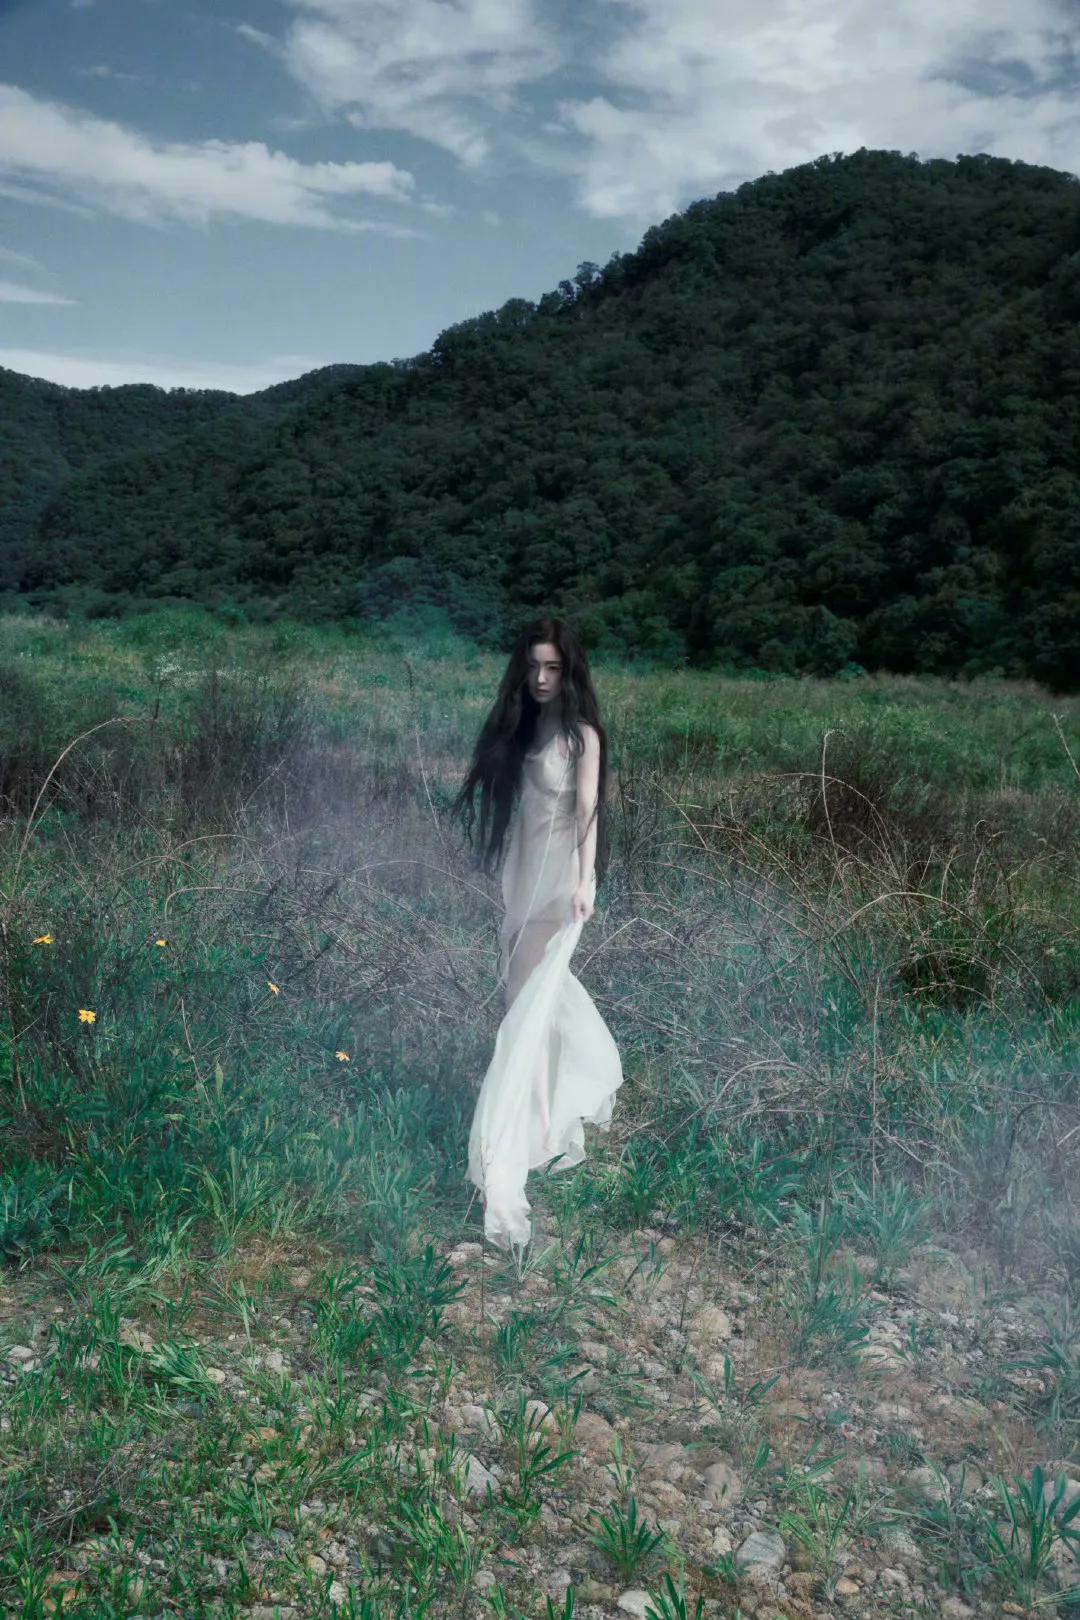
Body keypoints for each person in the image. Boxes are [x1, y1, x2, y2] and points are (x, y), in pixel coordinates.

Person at [451, 616, 624, 1251]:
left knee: (524, 1004)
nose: (543, 678)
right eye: (534, 667)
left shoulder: (581, 737)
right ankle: (546, 1124)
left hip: (559, 884)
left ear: (569, 672)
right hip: (521, 879)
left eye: (553, 668)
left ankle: (516, 1138)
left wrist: (588, 881)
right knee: (528, 1003)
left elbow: (588, 811)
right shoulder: (523, 727)